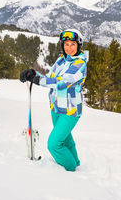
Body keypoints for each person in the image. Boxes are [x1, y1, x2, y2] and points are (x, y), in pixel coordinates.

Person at [20, 29, 88, 171]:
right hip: (56, 107)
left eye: (73, 44)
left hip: (71, 110)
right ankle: (75, 163)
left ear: (79, 45)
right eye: (66, 44)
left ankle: (70, 169)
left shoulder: (80, 64)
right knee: (66, 138)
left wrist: (37, 80)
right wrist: (33, 73)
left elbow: (61, 82)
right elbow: (50, 76)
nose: (69, 48)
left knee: (54, 144)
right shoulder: (61, 61)